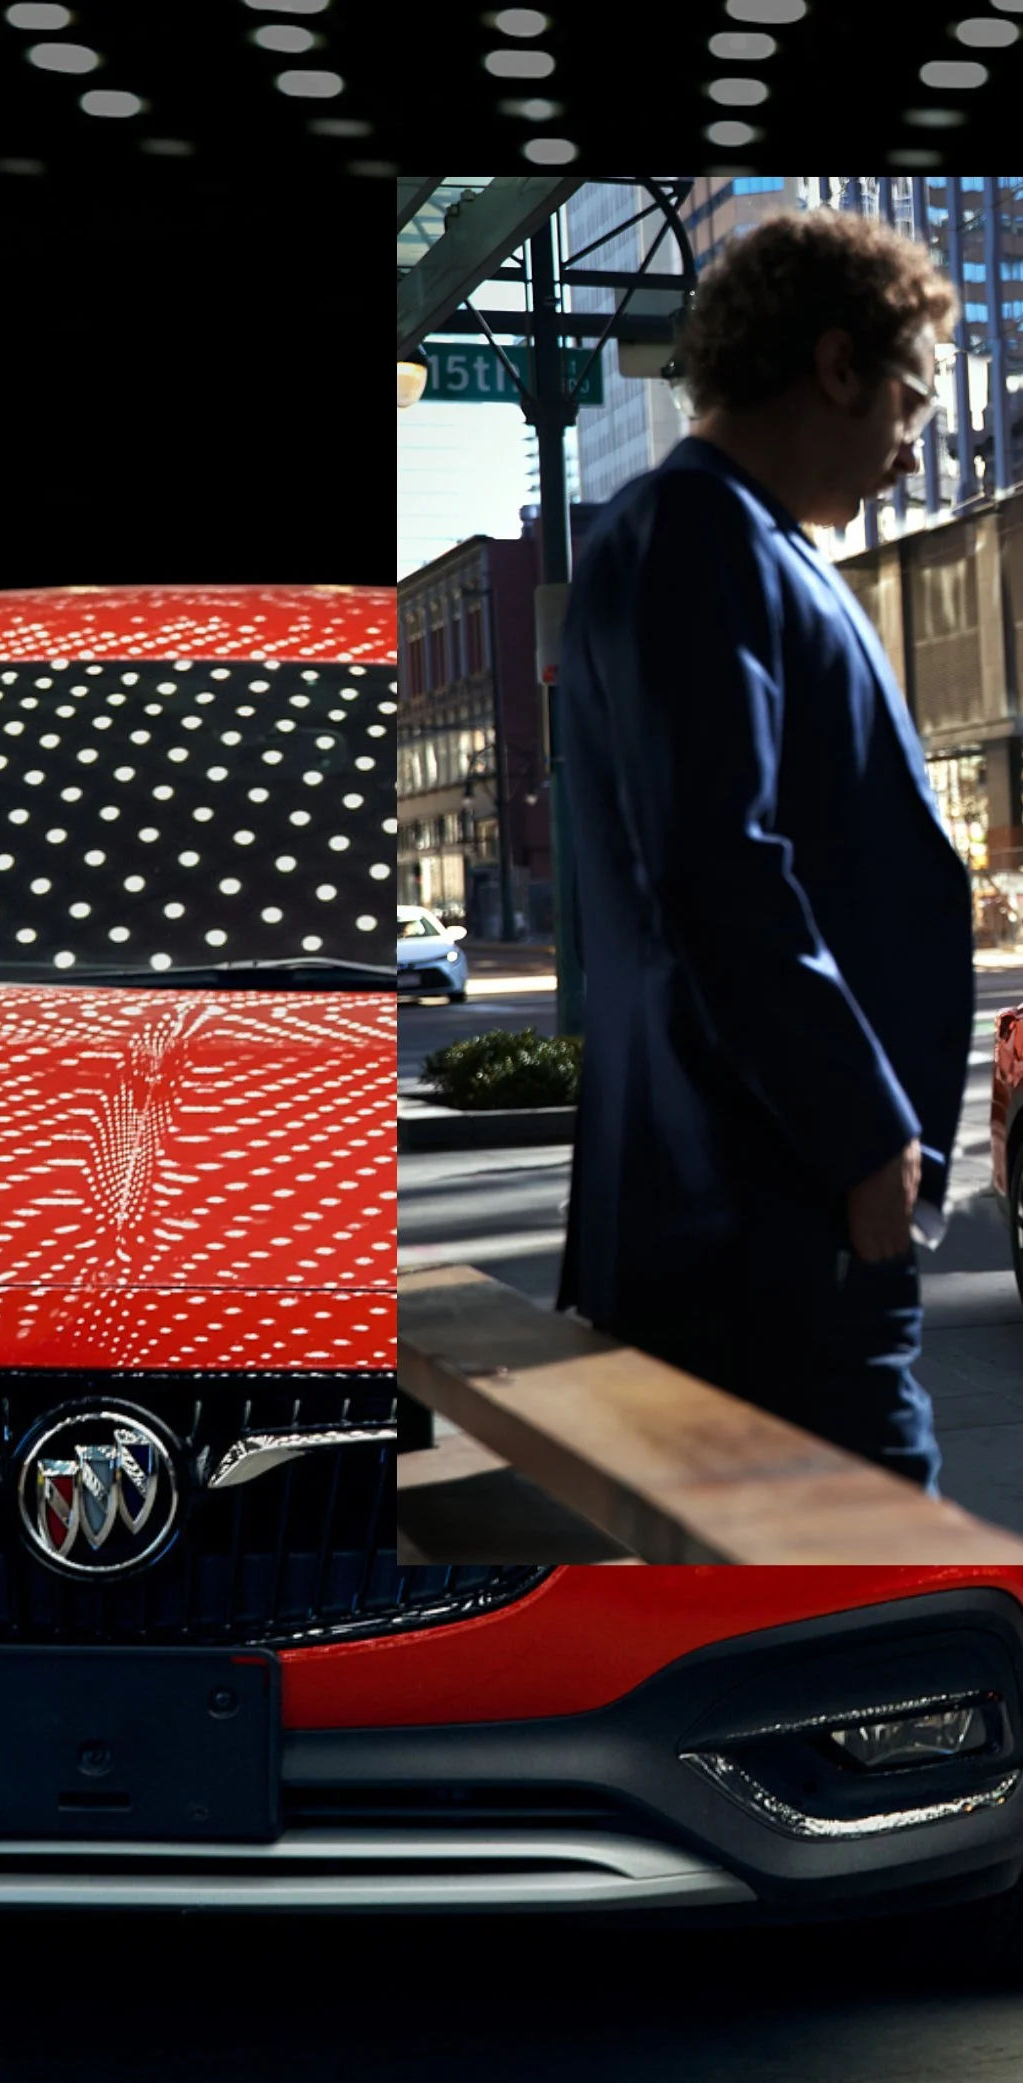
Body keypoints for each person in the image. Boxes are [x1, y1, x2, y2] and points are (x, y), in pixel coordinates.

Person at [555, 207, 975, 1497]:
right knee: (881, 1602)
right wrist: (864, 1140)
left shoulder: (748, 544)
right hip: (763, 1224)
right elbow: (718, 867)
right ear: (837, 366)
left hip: (771, 1216)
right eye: (912, 398)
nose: (915, 444)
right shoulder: (694, 537)